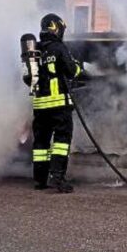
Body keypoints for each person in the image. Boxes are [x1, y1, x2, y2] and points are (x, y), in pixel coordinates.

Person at [31, 13, 82, 193]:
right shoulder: (58, 48)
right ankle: (57, 179)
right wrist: (79, 67)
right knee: (61, 141)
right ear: (56, 27)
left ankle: (40, 180)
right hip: (58, 104)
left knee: (41, 143)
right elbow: (71, 70)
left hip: (40, 107)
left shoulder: (36, 49)